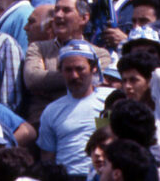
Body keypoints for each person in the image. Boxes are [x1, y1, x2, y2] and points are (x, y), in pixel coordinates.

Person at [36, 40, 109, 177]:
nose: (74, 76)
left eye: (79, 69)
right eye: (68, 70)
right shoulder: (51, 111)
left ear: (93, 68)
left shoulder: (109, 101)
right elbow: (47, 157)